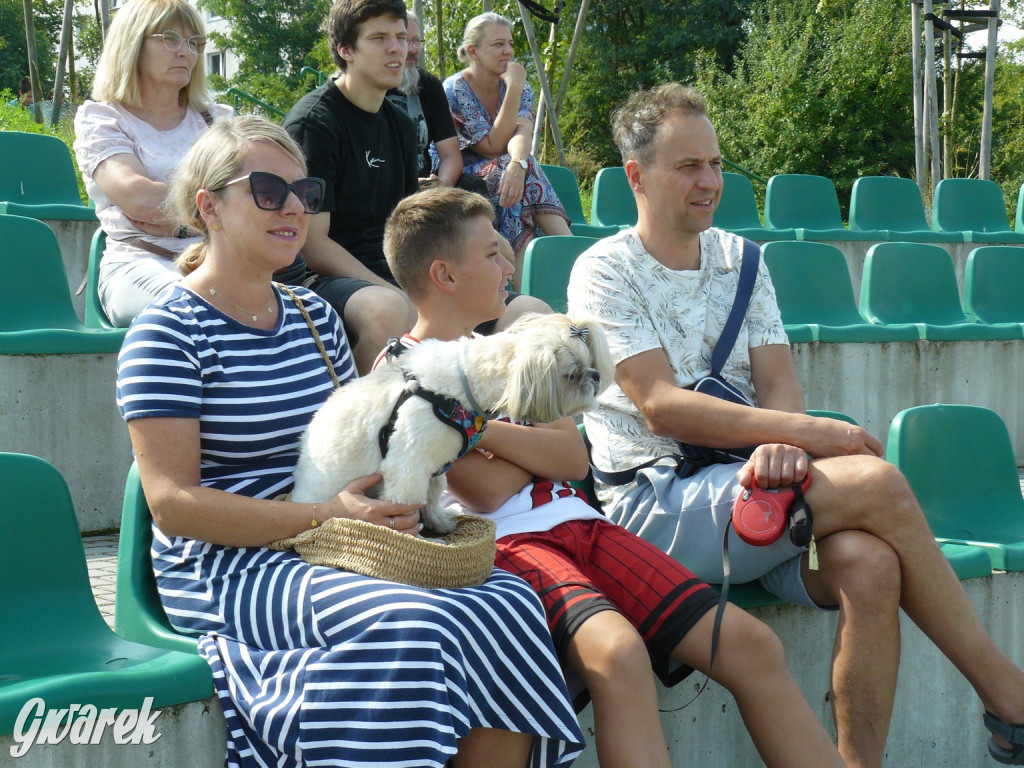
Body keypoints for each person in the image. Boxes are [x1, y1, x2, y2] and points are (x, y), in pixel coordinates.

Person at [566, 82, 1024, 768]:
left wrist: (783, 439)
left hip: (745, 494)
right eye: (688, 165)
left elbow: (779, 385)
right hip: (653, 505)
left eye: (717, 164)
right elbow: (659, 403)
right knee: (876, 480)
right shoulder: (604, 270)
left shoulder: (742, 258)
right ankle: (1011, 699)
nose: (710, 180)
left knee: (870, 566)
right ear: (636, 175)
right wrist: (815, 437)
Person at [116, 114, 585, 768]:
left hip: (328, 537)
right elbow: (172, 504)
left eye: (304, 194)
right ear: (209, 207)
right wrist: (328, 515)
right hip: (227, 563)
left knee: (508, 599)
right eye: (267, 191)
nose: (293, 209)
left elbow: (362, 439)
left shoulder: (314, 317)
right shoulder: (168, 332)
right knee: (413, 622)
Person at [373, 185, 849, 768]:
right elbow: (487, 489)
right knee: (619, 655)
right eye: (493, 253)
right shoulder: (402, 369)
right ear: (444, 275)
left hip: (578, 522)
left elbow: (573, 460)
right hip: (504, 545)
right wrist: (523, 441)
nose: (510, 264)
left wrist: (472, 428)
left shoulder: (499, 354)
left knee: (751, 647)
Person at [74, 0, 232, 327]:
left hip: (219, 263)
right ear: (132, 44)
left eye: (194, 42)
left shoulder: (217, 120)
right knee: (197, 308)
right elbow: (139, 198)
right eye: (170, 38)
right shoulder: (103, 118)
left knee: (300, 310)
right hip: (138, 263)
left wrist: (180, 222)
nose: (185, 52)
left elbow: (254, 197)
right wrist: (219, 209)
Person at [443, 12, 572, 272]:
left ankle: (541, 265)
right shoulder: (454, 90)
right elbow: (491, 146)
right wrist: (513, 88)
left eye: (510, 43)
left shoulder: (521, 86)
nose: (508, 51)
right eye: (498, 44)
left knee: (521, 166)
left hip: (506, 168)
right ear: (473, 51)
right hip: (463, 174)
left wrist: (519, 163)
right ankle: (565, 254)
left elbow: (522, 132)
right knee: (508, 168)